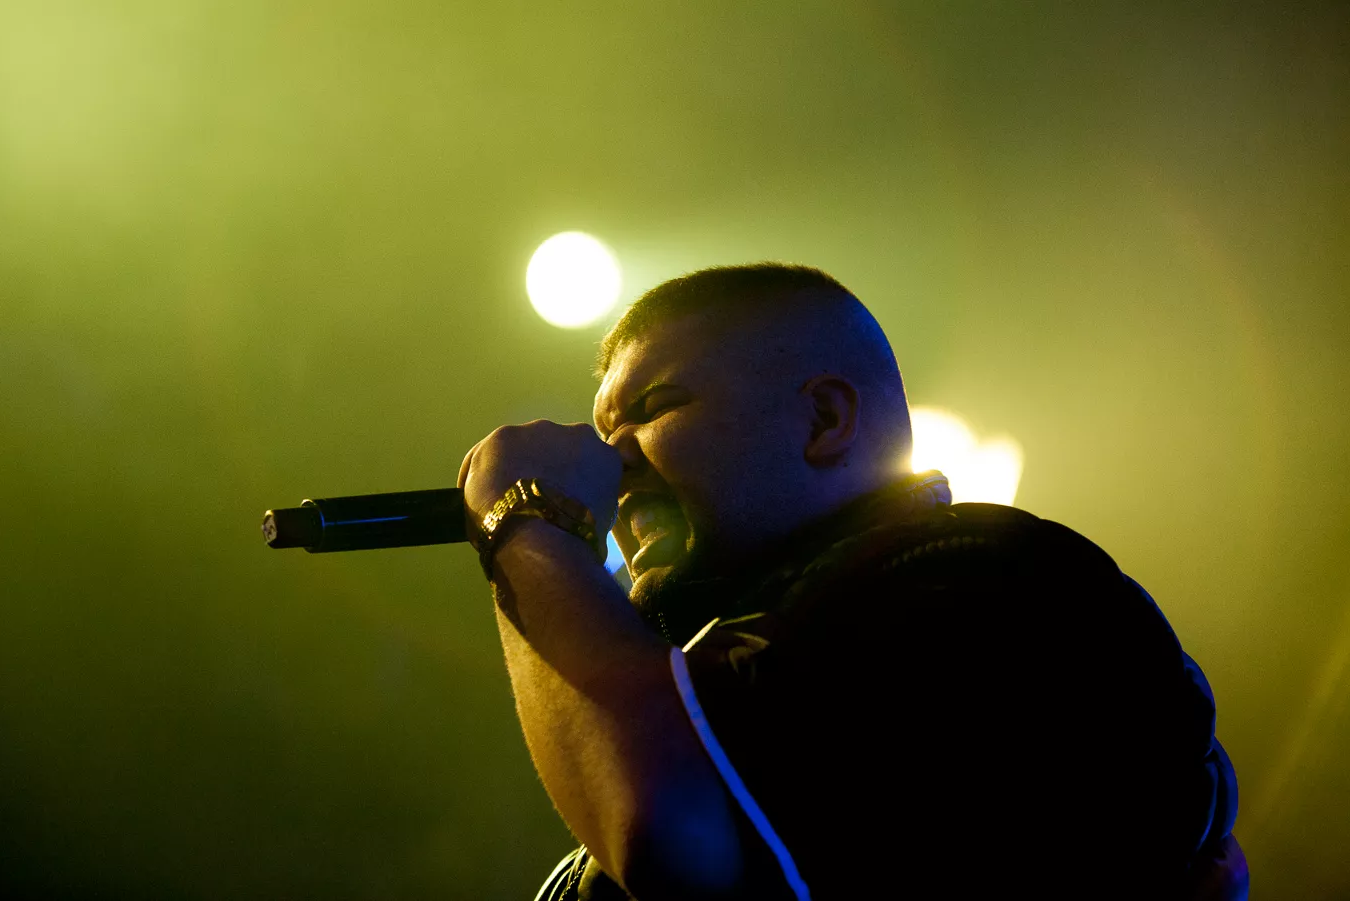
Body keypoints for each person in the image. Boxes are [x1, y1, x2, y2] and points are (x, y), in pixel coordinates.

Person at [456, 264, 1247, 900]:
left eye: (656, 407)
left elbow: (673, 834)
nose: (613, 464)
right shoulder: (763, 648)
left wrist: (526, 522)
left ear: (826, 419)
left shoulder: (981, 584)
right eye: (603, 434)